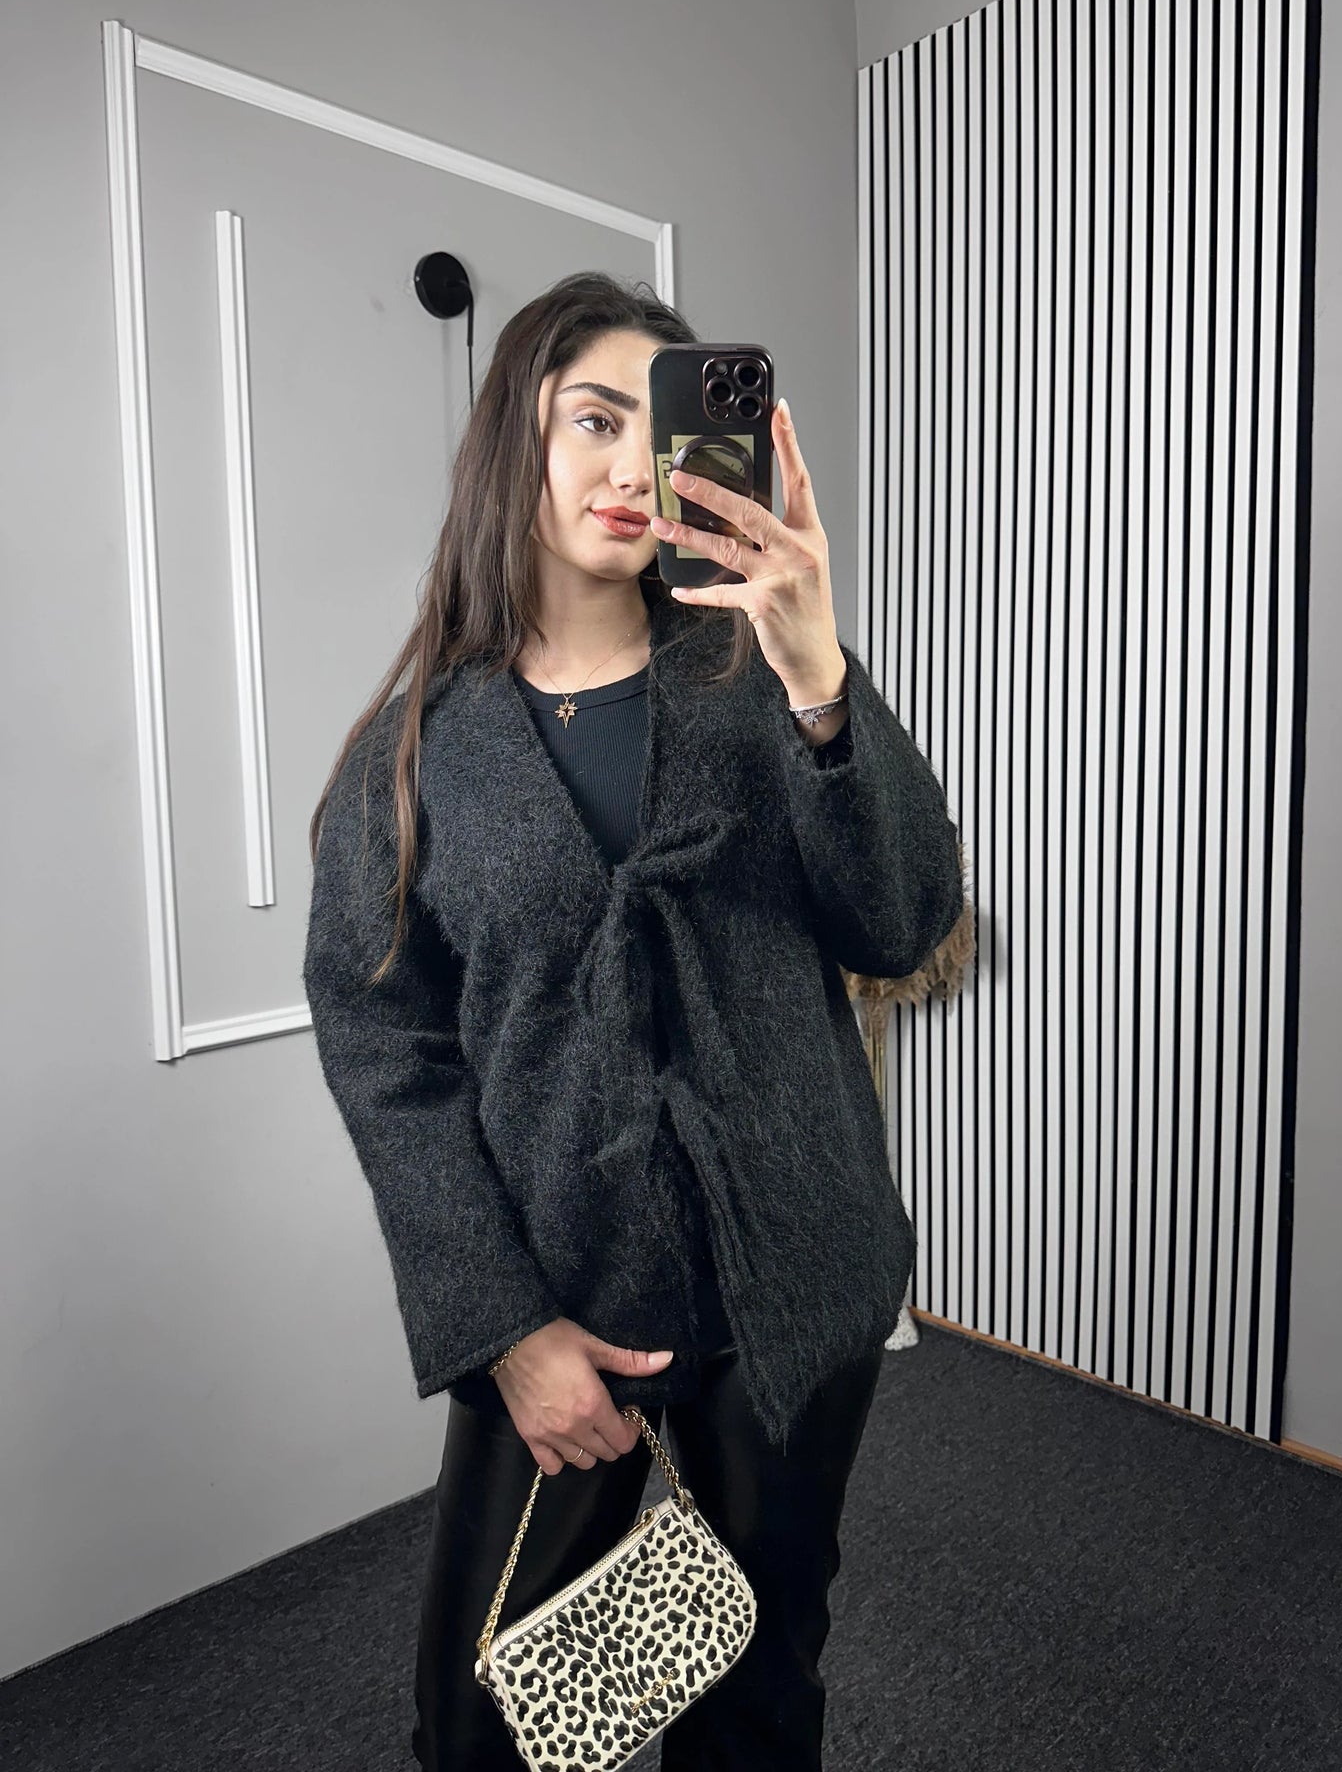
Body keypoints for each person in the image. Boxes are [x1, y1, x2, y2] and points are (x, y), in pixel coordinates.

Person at [302, 271, 965, 1769]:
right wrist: (503, 1327)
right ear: (515, 441)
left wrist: (820, 675)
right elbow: (388, 1059)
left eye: (656, 432)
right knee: (484, 1718)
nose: (626, 469)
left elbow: (900, 921)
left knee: (758, 1680)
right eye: (591, 420)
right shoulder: (415, 753)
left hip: (793, 1284)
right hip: (563, 1304)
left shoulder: (753, 675)